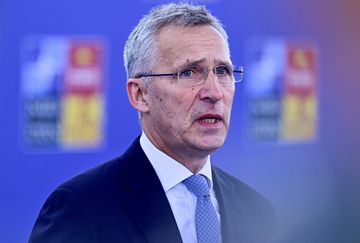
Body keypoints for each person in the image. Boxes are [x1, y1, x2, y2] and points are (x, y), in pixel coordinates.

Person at [29, 3, 276, 243]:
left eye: (222, 71)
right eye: (188, 72)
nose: (214, 92)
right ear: (140, 94)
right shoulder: (81, 209)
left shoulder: (257, 209)